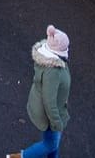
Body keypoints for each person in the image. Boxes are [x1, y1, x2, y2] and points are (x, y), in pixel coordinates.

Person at [10, 25, 71, 158]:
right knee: (51, 144)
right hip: (50, 115)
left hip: (46, 110)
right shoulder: (53, 72)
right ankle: (20, 156)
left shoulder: (49, 60)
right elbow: (49, 102)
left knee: (53, 142)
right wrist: (57, 123)